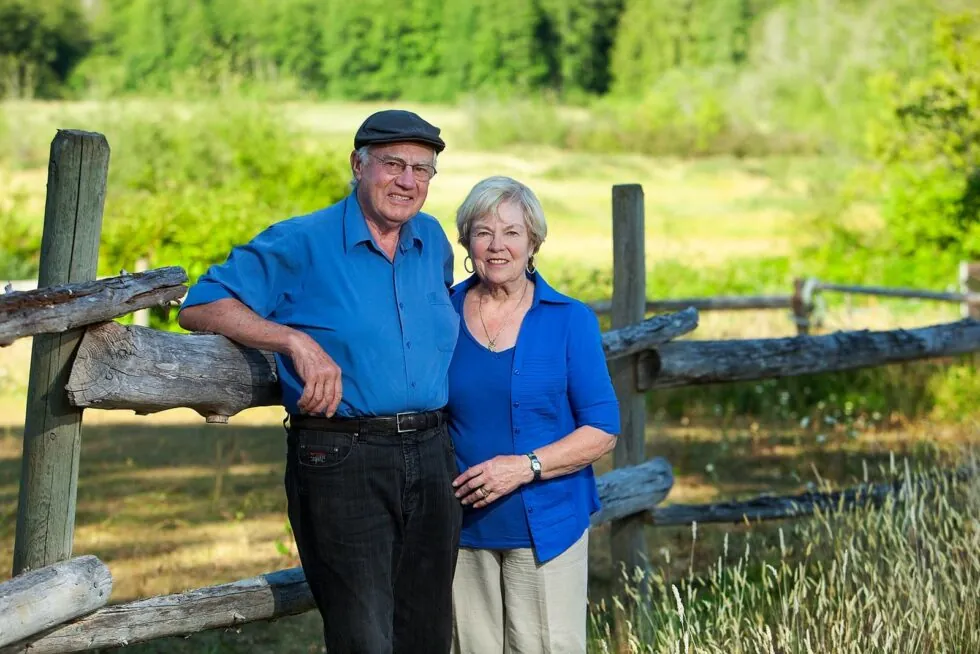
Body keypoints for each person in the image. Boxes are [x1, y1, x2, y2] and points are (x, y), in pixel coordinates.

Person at [178, 110, 462, 654]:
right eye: (393, 165)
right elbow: (202, 303)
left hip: (431, 455)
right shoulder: (302, 241)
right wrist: (293, 341)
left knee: (426, 635)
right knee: (364, 637)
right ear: (358, 165)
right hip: (341, 456)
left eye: (422, 170)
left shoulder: (431, 240)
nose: (408, 181)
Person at [447, 176, 620, 653]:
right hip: (459, 530)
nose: (497, 246)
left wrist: (524, 467)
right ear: (466, 241)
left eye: (512, 232)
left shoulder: (569, 319)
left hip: (547, 526)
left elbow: (603, 429)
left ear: (533, 242)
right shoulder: (440, 313)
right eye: (483, 232)